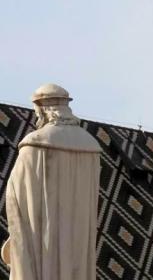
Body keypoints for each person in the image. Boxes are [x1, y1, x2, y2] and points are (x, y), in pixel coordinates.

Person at [1, 84, 101, 280]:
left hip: (44, 250)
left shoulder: (34, 144)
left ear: (42, 108)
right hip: (78, 250)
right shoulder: (91, 147)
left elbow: (16, 199)